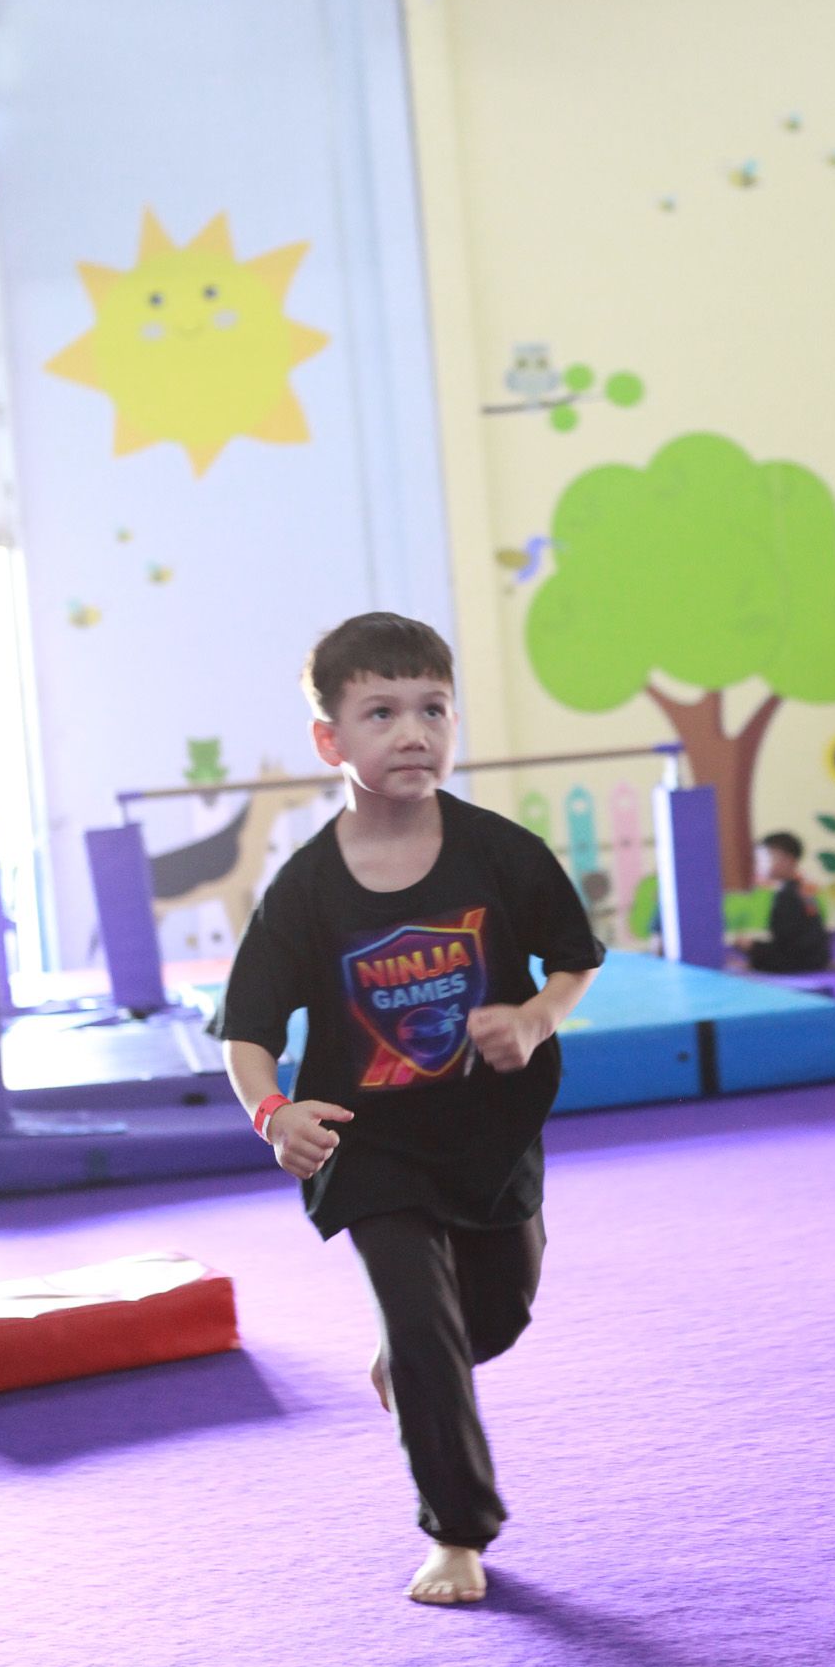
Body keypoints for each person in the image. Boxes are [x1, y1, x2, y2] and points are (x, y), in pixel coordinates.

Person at [218, 612, 604, 1607]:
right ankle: (457, 1532)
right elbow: (246, 1032)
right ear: (331, 739)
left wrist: (535, 1014)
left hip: (489, 1128)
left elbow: (574, 959)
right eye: (380, 711)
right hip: (369, 1140)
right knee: (427, 1330)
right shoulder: (303, 889)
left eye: (432, 707)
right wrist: (274, 1114)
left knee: (500, 1313)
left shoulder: (498, 854)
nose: (412, 730)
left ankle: (413, 1358)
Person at [730, 830, 831, 974]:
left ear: (788, 860)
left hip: (801, 965)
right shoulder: (803, 888)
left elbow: (792, 948)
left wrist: (753, 948)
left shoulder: (790, 896)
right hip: (814, 959)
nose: (761, 865)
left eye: (767, 858)